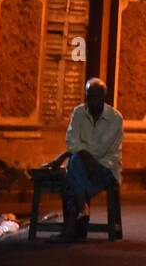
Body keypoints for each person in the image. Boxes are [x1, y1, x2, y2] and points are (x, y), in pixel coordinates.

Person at [45, 78, 123, 240]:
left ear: (104, 97)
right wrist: (80, 153)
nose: (92, 101)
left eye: (96, 97)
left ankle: (74, 223)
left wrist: (77, 153)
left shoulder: (116, 119)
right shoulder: (79, 112)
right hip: (83, 166)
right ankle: (79, 212)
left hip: (105, 168)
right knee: (76, 164)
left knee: (73, 171)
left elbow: (102, 149)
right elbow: (71, 139)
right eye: (89, 96)